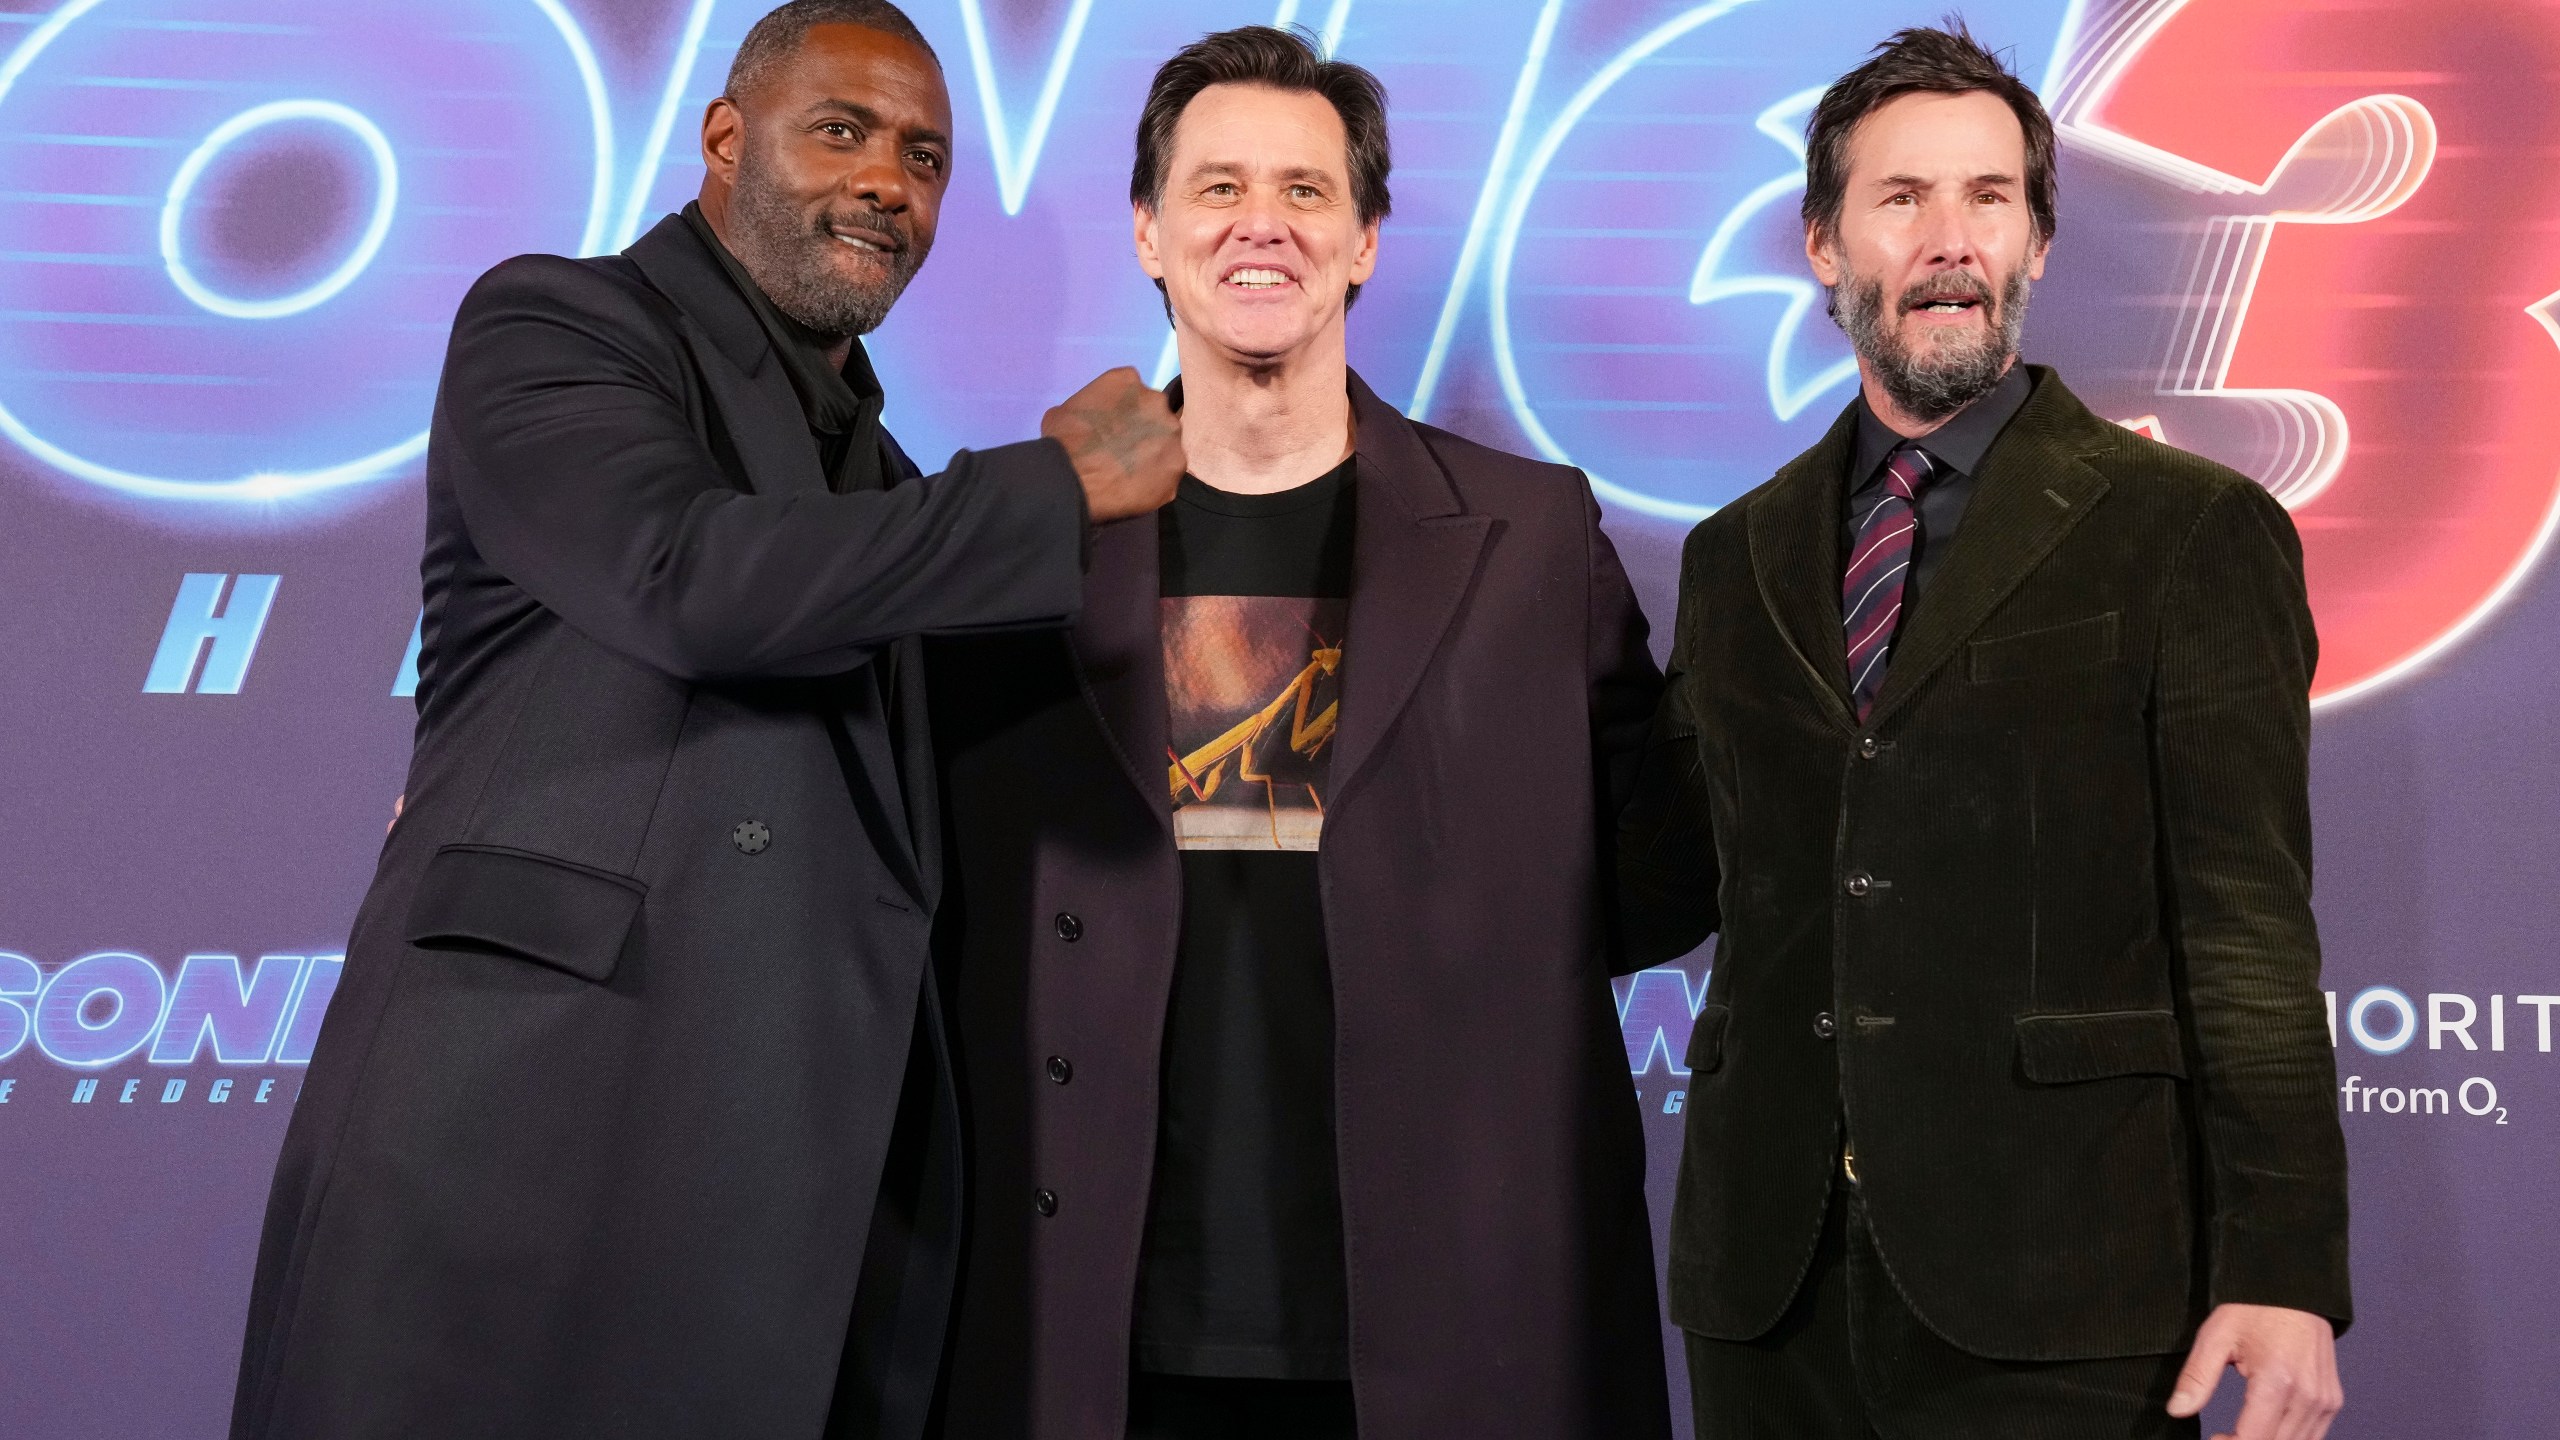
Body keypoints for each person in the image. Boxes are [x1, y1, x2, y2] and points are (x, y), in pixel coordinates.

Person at [226, 4, 1182, 1437]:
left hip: (784, 1206)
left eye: (924, 159)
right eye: (842, 131)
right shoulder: (558, 321)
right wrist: (1051, 484)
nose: (887, 184)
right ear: (726, 142)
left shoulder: (886, 477)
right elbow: (690, 579)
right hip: (524, 1148)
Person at [927, 26, 1671, 1440]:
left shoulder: (1533, 536)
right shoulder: (1011, 539)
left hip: (1440, 1325)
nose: (1260, 223)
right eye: (1215, 188)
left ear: (1366, 241)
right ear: (1148, 233)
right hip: (1081, 1317)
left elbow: (1651, 874)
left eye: (1306, 190)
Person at [1615, 23, 2353, 1440]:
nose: (1951, 239)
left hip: (2067, 1286)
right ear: (1825, 244)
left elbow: (2249, 929)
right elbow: (1664, 881)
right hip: (1769, 1292)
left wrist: (2285, 1267)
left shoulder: (2189, 535)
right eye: (1902, 200)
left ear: (2038, 243)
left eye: (1990, 198)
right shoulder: (1737, 554)